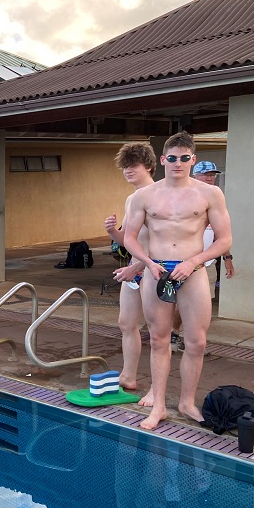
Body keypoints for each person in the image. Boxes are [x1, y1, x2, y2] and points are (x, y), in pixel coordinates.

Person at [124, 131, 232, 430]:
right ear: (162, 160)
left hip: (192, 272)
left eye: (184, 158)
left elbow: (224, 240)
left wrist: (194, 261)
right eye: (172, 158)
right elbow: (130, 238)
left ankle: (186, 402)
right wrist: (146, 263)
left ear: (192, 160)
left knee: (196, 342)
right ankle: (158, 406)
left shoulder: (209, 194)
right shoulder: (143, 196)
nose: (178, 163)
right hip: (156, 271)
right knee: (159, 340)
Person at [104, 142, 156, 402]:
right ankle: (128, 375)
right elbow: (131, 239)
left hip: (155, 269)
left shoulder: (159, 195)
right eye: (125, 166)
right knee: (126, 323)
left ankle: (157, 389)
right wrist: (113, 231)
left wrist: (139, 265)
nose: (128, 171)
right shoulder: (131, 198)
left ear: (148, 165)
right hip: (134, 270)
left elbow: (164, 243)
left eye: (133, 165)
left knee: (159, 332)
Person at [170, 160, 236, 351]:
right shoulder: (185, 198)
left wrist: (228, 258)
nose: (209, 178)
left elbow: (220, 235)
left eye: (212, 174)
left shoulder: (216, 199)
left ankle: (193, 341)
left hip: (206, 265)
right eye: (205, 174)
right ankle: (173, 334)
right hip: (181, 263)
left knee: (202, 307)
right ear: (194, 175)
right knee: (179, 304)